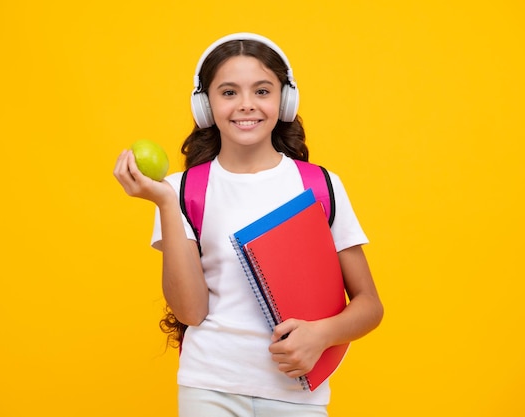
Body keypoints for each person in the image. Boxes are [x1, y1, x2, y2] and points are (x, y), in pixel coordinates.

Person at [113, 33, 383, 417]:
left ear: (284, 100)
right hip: (209, 386)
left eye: (261, 91)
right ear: (205, 105)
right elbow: (190, 311)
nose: (246, 105)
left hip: (297, 391)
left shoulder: (319, 185)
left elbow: (370, 305)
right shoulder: (181, 190)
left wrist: (320, 336)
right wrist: (164, 204)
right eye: (228, 93)